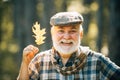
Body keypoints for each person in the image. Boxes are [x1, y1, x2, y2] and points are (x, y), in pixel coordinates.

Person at [17, 12, 120, 80]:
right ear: (52, 33)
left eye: (73, 31)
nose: (66, 37)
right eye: (61, 31)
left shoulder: (97, 61)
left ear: (80, 34)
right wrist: (25, 63)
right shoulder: (39, 61)